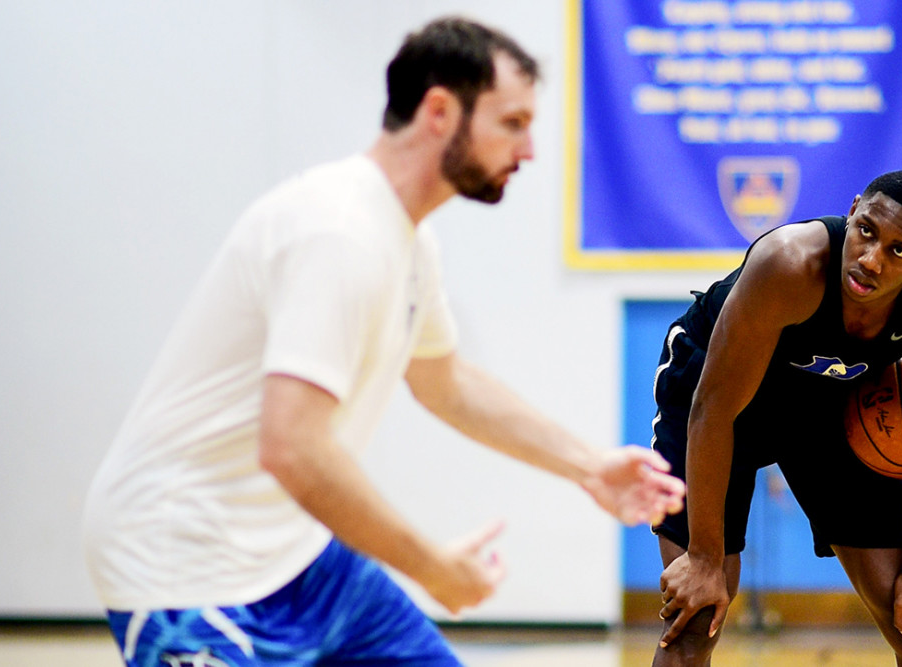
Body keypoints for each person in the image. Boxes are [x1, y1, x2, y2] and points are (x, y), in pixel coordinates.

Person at [82, 16, 685, 667]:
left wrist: (588, 465)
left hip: (297, 558)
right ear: (438, 112)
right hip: (184, 568)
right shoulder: (338, 232)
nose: (531, 149)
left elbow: (445, 383)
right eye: (512, 123)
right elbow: (292, 448)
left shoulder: (406, 237)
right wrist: (433, 567)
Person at [649, 171, 902, 667]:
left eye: (900, 251)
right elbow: (713, 409)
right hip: (715, 398)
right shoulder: (788, 263)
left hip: (835, 405)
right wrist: (705, 558)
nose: (871, 260)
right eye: (867, 231)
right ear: (853, 209)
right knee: (694, 621)